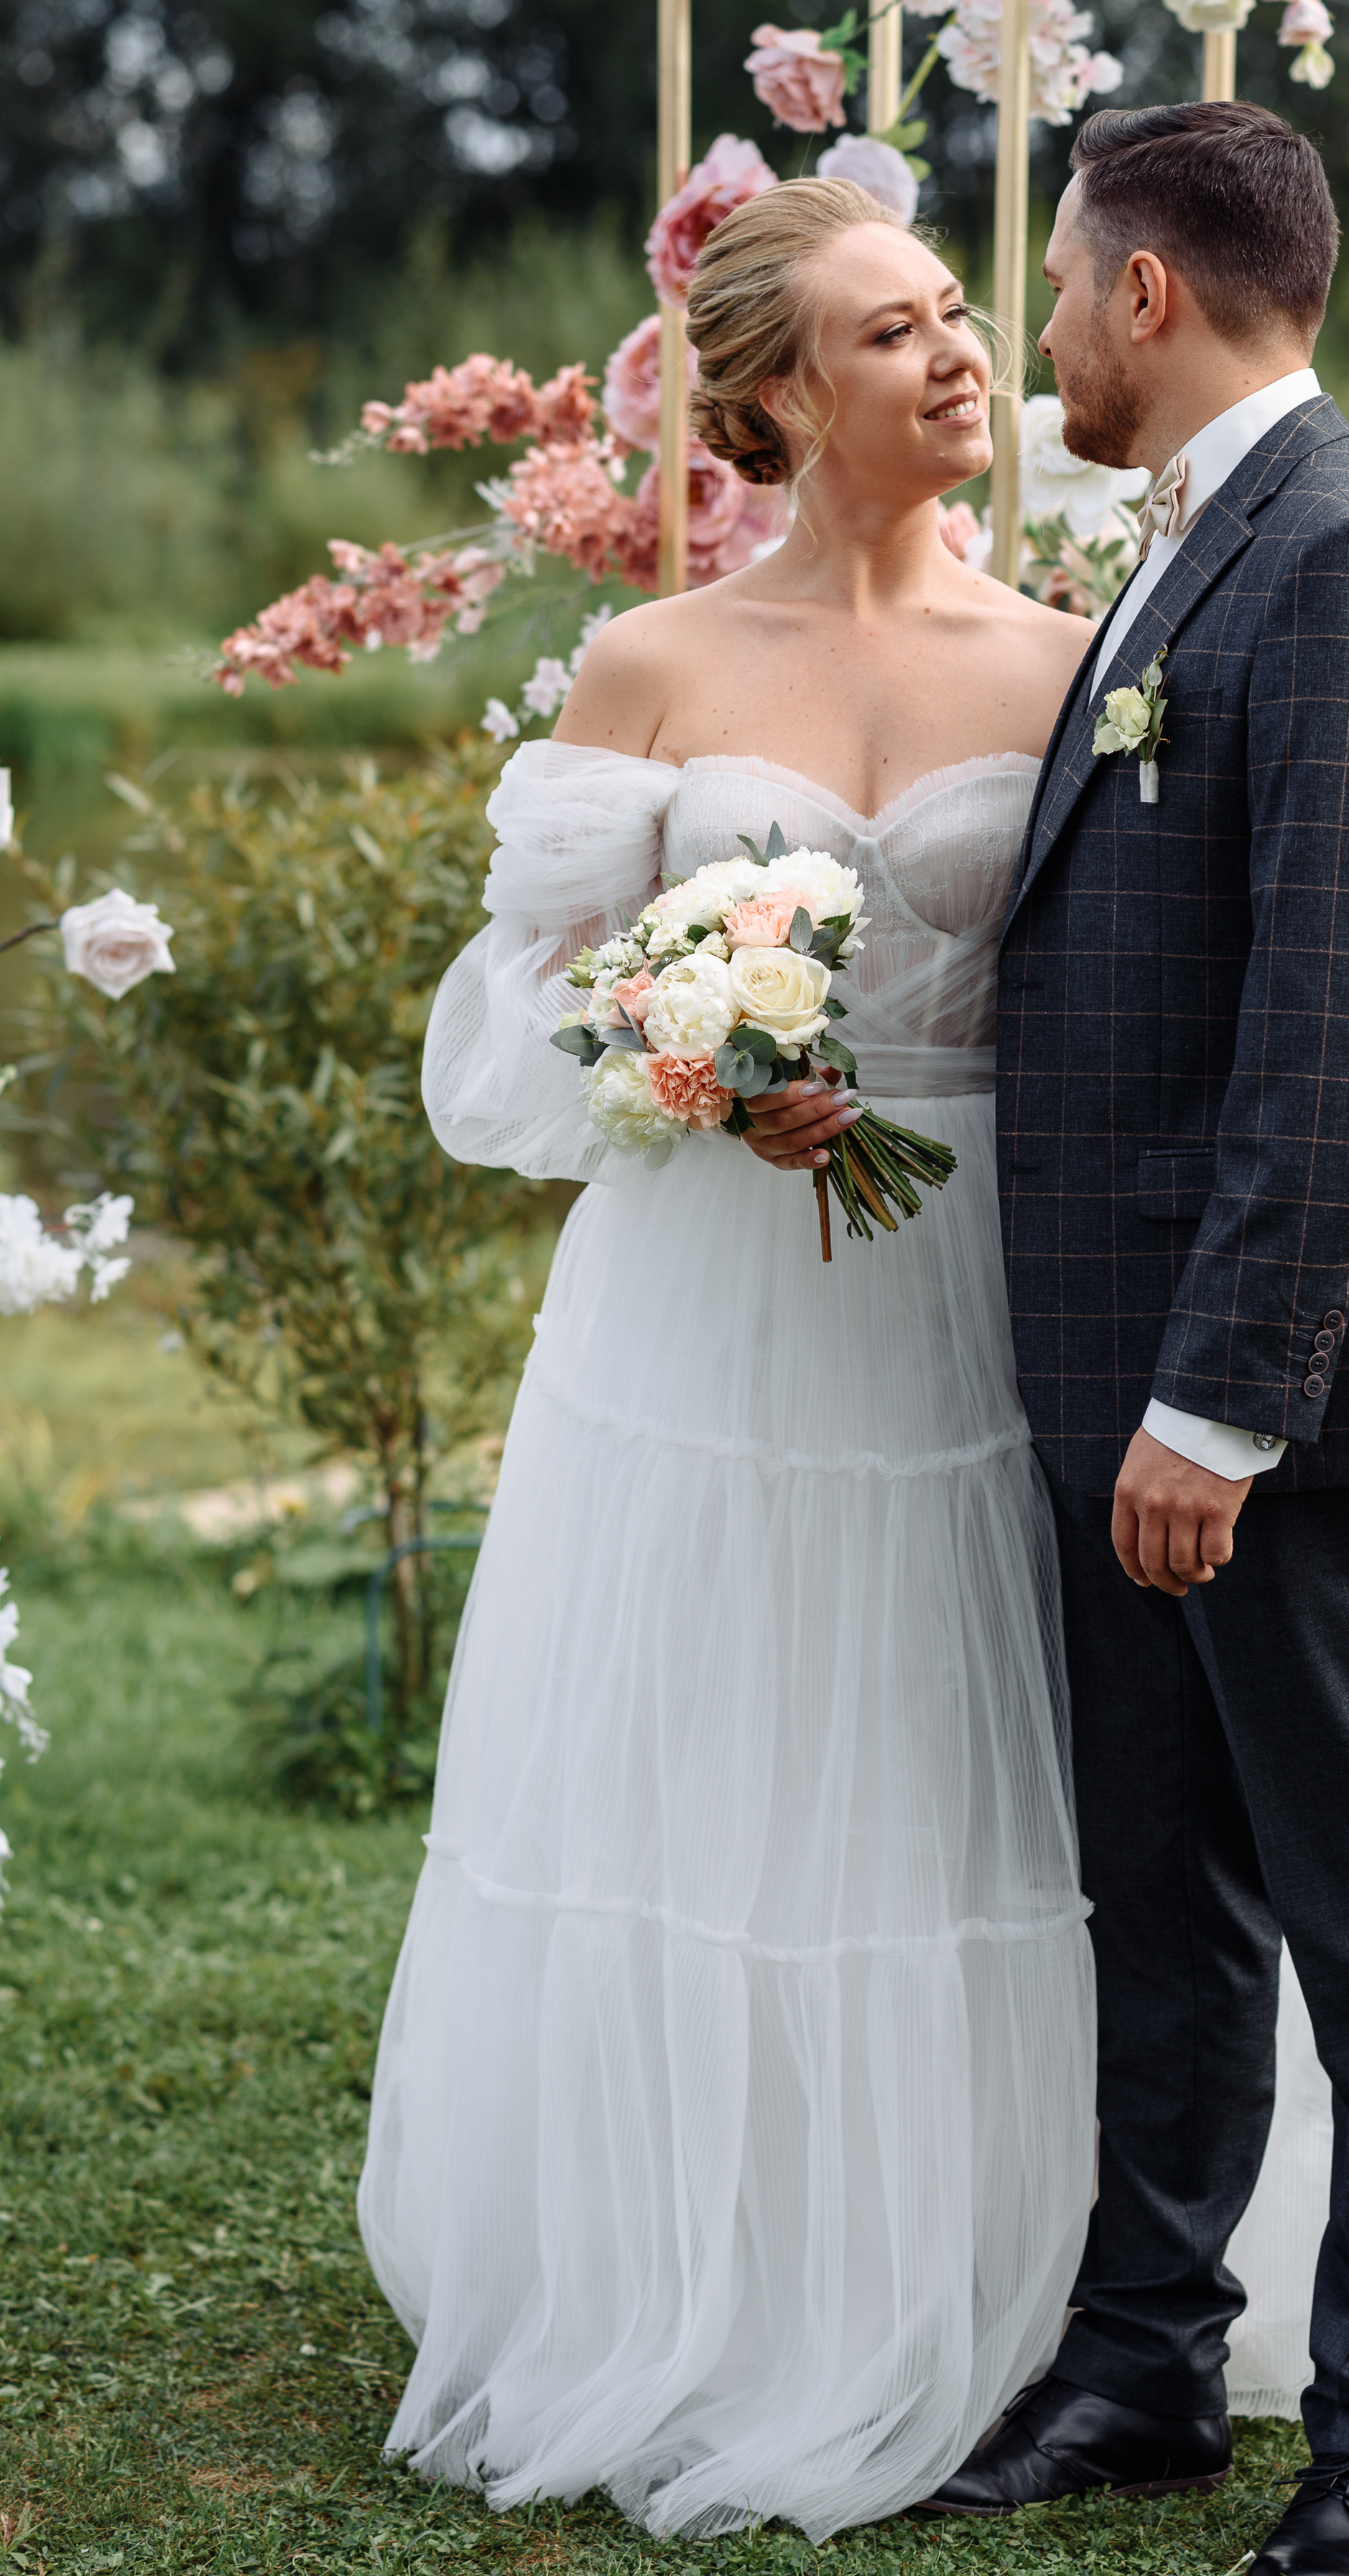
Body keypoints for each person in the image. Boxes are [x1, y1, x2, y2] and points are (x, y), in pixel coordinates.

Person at [356, 176, 1103, 2540]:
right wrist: (679, 1061)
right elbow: (516, 1021)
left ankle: (998, 2257)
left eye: (967, 314)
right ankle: (700, 2257)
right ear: (782, 395)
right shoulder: (650, 668)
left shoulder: (1076, 652)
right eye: (898, 334)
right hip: (705, 1300)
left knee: (946, 1750)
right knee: (706, 1754)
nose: (962, 356)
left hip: (976, 1283)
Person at [926, 103, 1349, 2576]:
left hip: (1274, 1398)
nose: (1045, 331)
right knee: (1156, 1898)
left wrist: (1219, 1407)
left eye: (1059, 288)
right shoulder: (1203, 548)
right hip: (1130, 1374)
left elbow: (1339, 1034)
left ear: (1149, 294)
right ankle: (1150, 2360)